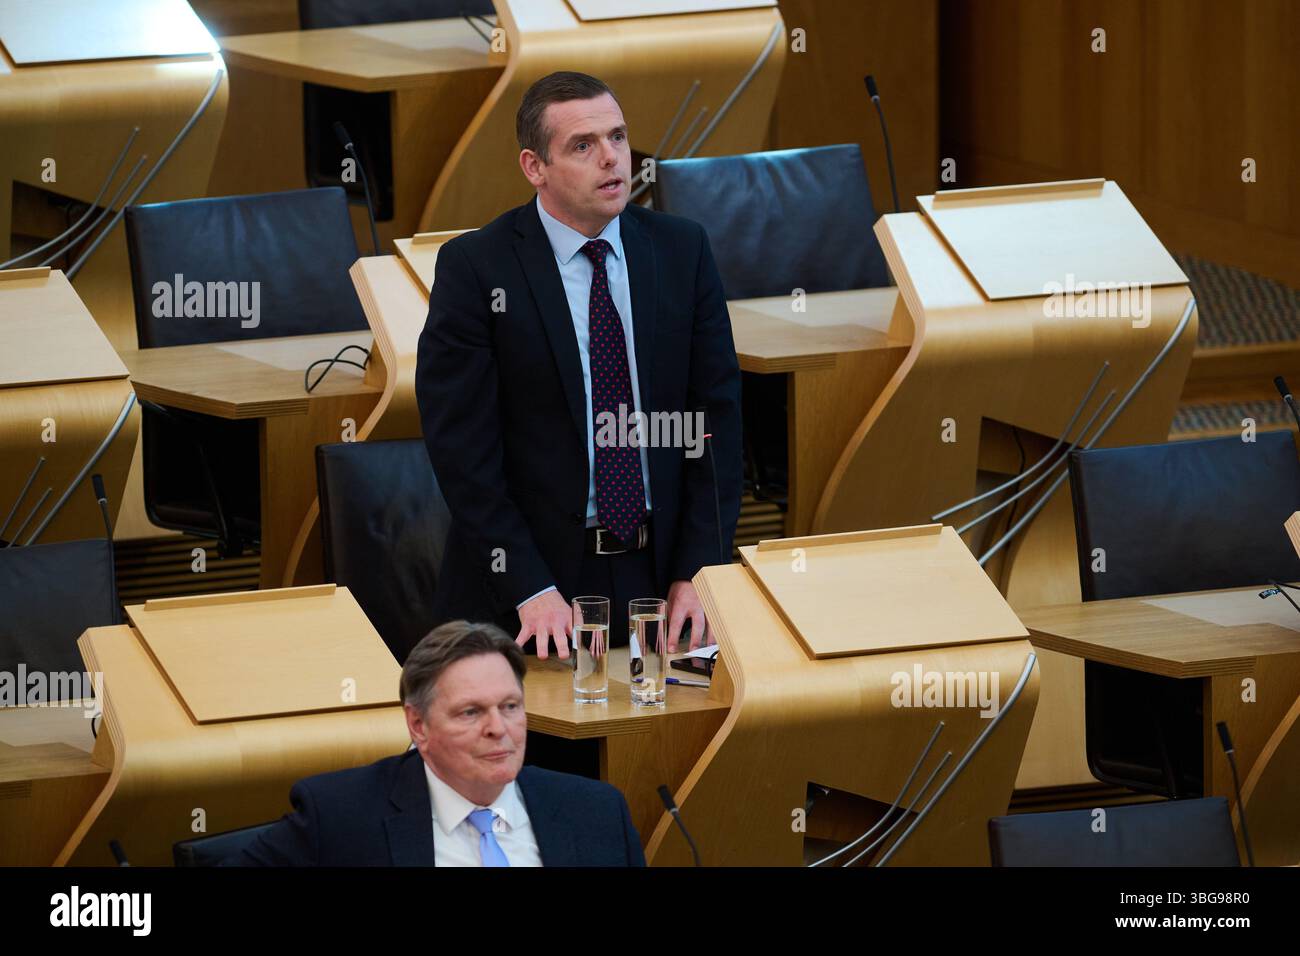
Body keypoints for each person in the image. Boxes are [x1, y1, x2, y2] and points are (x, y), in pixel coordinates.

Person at [416, 70, 742, 658]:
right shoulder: (476, 269)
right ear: (534, 167)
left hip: (663, 574)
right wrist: (528, 585)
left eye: (617, 137)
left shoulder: (681, 250)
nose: (612, 159)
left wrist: (701, 567)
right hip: (533, 583)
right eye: (583, 146)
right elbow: (463, 452)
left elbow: (715, 423)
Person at [227, 621, 645, 866]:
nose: (499, 728)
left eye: (510, 706)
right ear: (418, 725)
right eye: (471, 712)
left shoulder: (596, 813)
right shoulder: (339, 817)